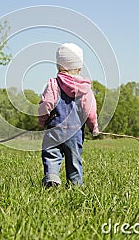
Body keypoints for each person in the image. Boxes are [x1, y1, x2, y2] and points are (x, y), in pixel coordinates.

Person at [38, 43, 100, 187]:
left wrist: (42, 120)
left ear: (58, 66)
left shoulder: (53, 84)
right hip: (75, 133)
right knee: (74, 159)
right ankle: (75, 185)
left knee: (51, 154)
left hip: (54, 129)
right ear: (79, 67)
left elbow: (47, 103)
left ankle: (52, 178)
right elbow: (90, 111)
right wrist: (94, 127)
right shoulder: (85, 89)